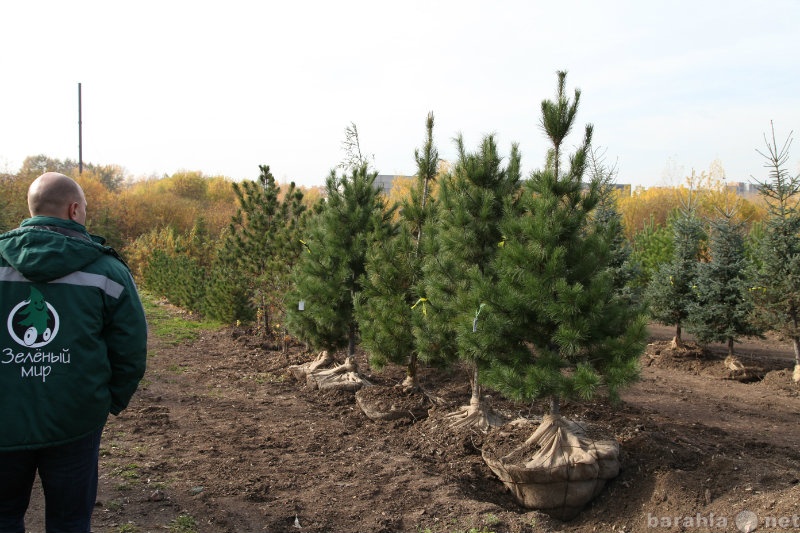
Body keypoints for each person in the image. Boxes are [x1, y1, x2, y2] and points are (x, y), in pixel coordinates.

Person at [0, 172, 148, 533]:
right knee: (70, 522)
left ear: (32, 211)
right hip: (75, 418)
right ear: (75, 209)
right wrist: (108, 401)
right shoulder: (108, 271)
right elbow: (130, 349)